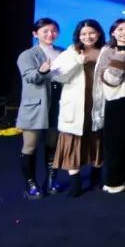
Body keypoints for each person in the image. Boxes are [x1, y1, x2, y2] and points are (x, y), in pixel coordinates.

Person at [51, 19, 106, 197]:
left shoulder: (105, 51)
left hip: (97, 103)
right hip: (75, 105)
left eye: (91, 33)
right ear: (78, 35)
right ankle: (75, 182)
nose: (88, 37)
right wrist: (77, 62)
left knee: (96, 140)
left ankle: (96, 176)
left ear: (98, 33)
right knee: (72, 142)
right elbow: (57, 76)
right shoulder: (71, 52)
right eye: (84, 34)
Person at [16, 18, 65, 198]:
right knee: (30, 146)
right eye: (45, 31)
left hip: (57, 104)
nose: (50, 34)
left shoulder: (63, 52)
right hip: (35, 106)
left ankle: (52, 180)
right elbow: (29, 77)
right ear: (35, 34)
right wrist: (42, 71)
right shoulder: (27, 55)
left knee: (53, 144)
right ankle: (31, 184)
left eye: (53, 30)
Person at [96, 19, 125, 194]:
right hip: (116, 101)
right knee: (115, 144)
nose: (124, 32)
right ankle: (113, 181)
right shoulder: (108, 51)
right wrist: (122, 57)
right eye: (120, 29)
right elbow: (110, 80)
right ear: (113, 33)